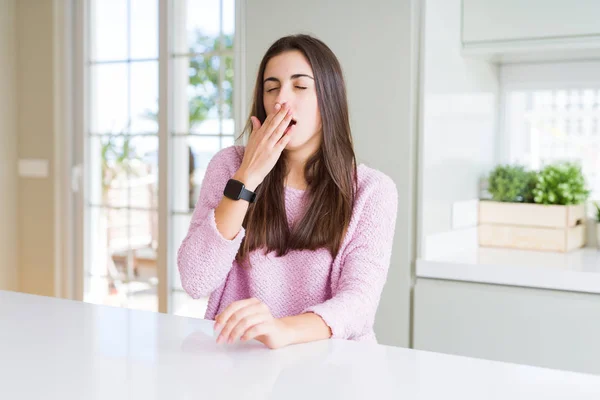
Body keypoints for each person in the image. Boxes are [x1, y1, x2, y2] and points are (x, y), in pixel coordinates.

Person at [177, 34, 398, 349]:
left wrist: (281, 330)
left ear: (329, 99)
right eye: (271, 88)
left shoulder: (372, 191)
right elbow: (195, 279)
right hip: (241, 364)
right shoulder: (229, 167)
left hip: (334, 369)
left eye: (300, 86)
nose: (281, 100)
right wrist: (247, 177)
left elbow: (359, 304)